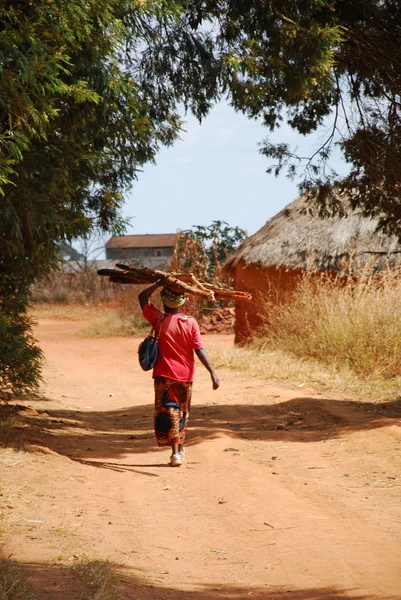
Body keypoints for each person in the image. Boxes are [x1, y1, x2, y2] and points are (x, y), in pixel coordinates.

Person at [138, 277, 219, 467]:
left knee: (169, 411)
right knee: (181, 412)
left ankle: (176, 452)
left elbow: (142, 297)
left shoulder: (158, 319)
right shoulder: (190, 322)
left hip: (163, 375)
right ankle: (178, 450)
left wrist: (158, 283)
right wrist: (212, 372)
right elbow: (199, 349)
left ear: (164, 301)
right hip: (185, 376)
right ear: (182, 302)